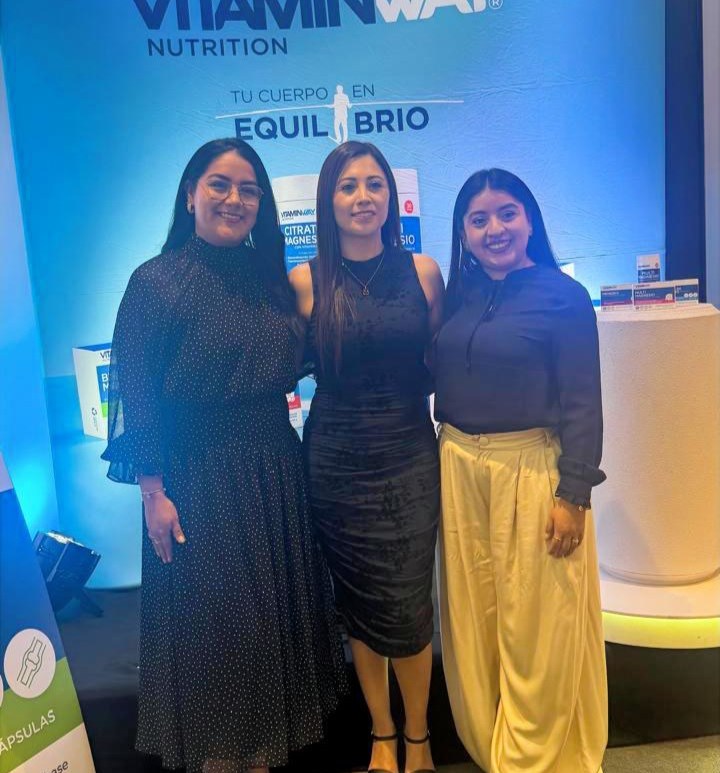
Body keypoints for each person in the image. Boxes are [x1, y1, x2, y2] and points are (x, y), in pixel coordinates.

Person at [101, 138, 347, 773]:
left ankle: (262, 758)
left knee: (270, 630)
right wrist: (152, 494)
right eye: (219, 184)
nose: (234, 199)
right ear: (190, 195)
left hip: (275, 472)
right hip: (198, 481)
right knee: (218, 636)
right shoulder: (155, 282)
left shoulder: (273, 282)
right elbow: (139, 395)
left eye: (248, 189)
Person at [433, 168, 608, 773]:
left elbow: (584, 403)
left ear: (529, 219)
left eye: (507, 213)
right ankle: (493, 750)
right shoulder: (457, 296)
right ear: (462, 233)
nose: (495, 229)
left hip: (532, 473)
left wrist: (574, 494)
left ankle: (538, 760)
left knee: (540, 625)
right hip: (457, 470)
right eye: (478, 219)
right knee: (474, 623)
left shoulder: (564, 296)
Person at [289, 141, 444, 773]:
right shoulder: (304, 281)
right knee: (359, 604)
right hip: (335, 464)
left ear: (391, 197)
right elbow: (276, 370)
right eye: (348, 186)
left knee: (408, 605)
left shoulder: (424, 272)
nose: (362, 197)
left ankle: (419, 735)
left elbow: (444, 361)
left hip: (409, 456)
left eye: (374, 184)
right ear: (328, 201)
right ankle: (382, 733)